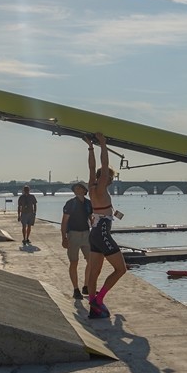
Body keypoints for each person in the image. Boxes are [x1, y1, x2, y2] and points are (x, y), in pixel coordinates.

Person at [84, 132, 129, 320]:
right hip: (102, 231)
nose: (111, 180)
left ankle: (94, 307)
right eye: (110, 177)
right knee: (121, 269)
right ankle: (99, 299)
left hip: (95, 233)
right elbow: (101, 166)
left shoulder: (91, 186)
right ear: (106, 178)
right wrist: (102, 144)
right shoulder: (101, 186)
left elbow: (93, 167)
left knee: (94, 272)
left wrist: (90, 147)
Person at [61, 181, 93, 300]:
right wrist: (63, 237)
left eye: (80, 188)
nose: (77, 190)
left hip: (86, 234)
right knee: (74, 262)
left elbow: (91, 219)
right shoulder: (70, 203)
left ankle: (86, 286)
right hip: (73, 234)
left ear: (84, 191)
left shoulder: (88, 203)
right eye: (76, 188)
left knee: (91, 261)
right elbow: (64, 221)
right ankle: (76, 289)